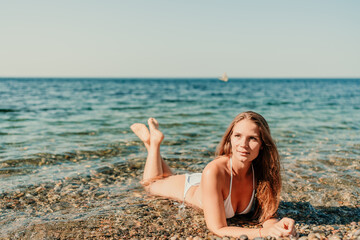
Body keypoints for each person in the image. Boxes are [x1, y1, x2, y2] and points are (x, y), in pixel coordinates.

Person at [130, 111, 296, 238]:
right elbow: (218, 228)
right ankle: (153, 144)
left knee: (161, 178)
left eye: (252, 138)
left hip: (211, 182)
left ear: (262, 145)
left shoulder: (263, 172)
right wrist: (261, 233)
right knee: (150, 185)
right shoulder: (213, 170)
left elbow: (267, 215)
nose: (243, 144)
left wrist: (277, 226)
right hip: (190, 187)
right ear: (230, 139)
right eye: (238, 136)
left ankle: (151, 142)